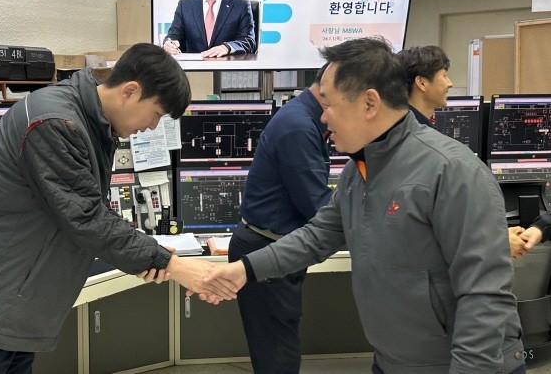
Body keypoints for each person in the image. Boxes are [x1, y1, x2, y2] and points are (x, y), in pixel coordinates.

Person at [205, 37, 525, 374]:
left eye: (329, 104)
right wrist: (244, 270)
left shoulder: (452, 171)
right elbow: (317, 236)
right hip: (392, 363)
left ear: (370, 103)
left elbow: (484, 295)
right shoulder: (360, 170)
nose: (323, 118)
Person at [0, 43, 236, 373]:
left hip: (8, 310)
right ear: (130, 91)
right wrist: (173, 265)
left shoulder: (91, 122)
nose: (153, 127)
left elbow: (85, 210)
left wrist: (150, 254)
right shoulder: (55, 122)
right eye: (155, 114)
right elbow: (87, 219)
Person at [230, 64, 333, 373]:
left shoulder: (302, 117)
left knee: (277, 349)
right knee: (278, 357)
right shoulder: (299, 127)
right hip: (267, 249)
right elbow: (317, 204)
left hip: (272, 245)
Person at [397, 45, 530, 261]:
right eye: (444, 75)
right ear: (421, 83)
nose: (450, 83)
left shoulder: (413, 135)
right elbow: (431, 221)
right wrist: (495, 240)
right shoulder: (417, 144)